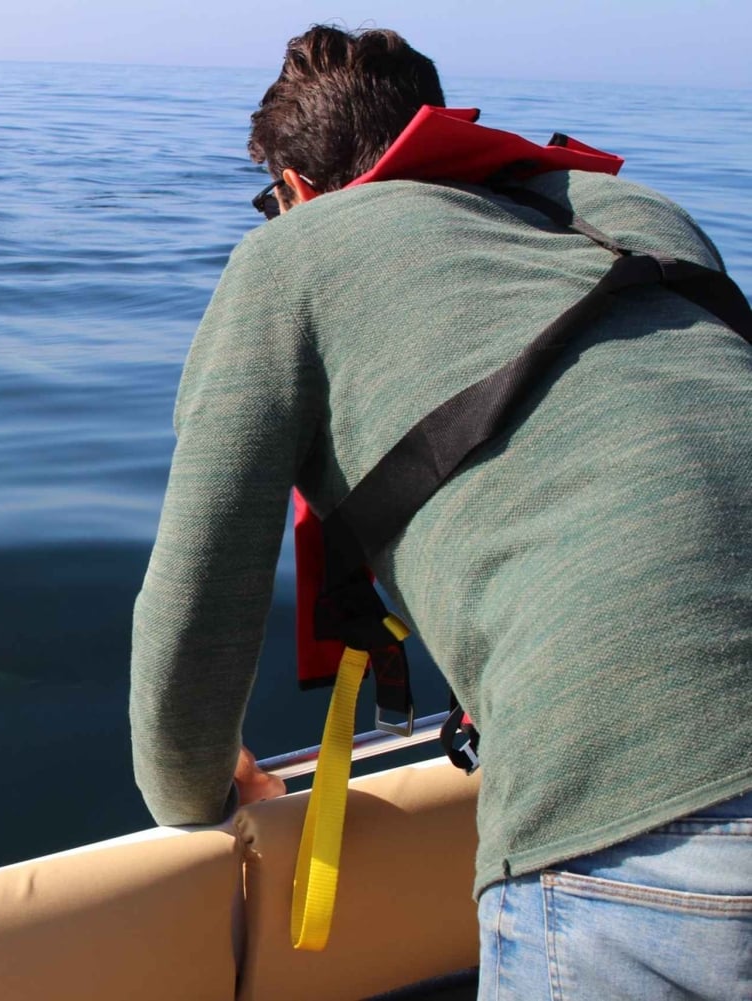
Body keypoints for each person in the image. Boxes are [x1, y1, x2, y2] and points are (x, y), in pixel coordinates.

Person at [129, 24, 752, 1000]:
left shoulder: (291, 259)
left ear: (293, 190)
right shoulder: (641, 211)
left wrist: (199, 793)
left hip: (639, 804)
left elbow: (197, 604)